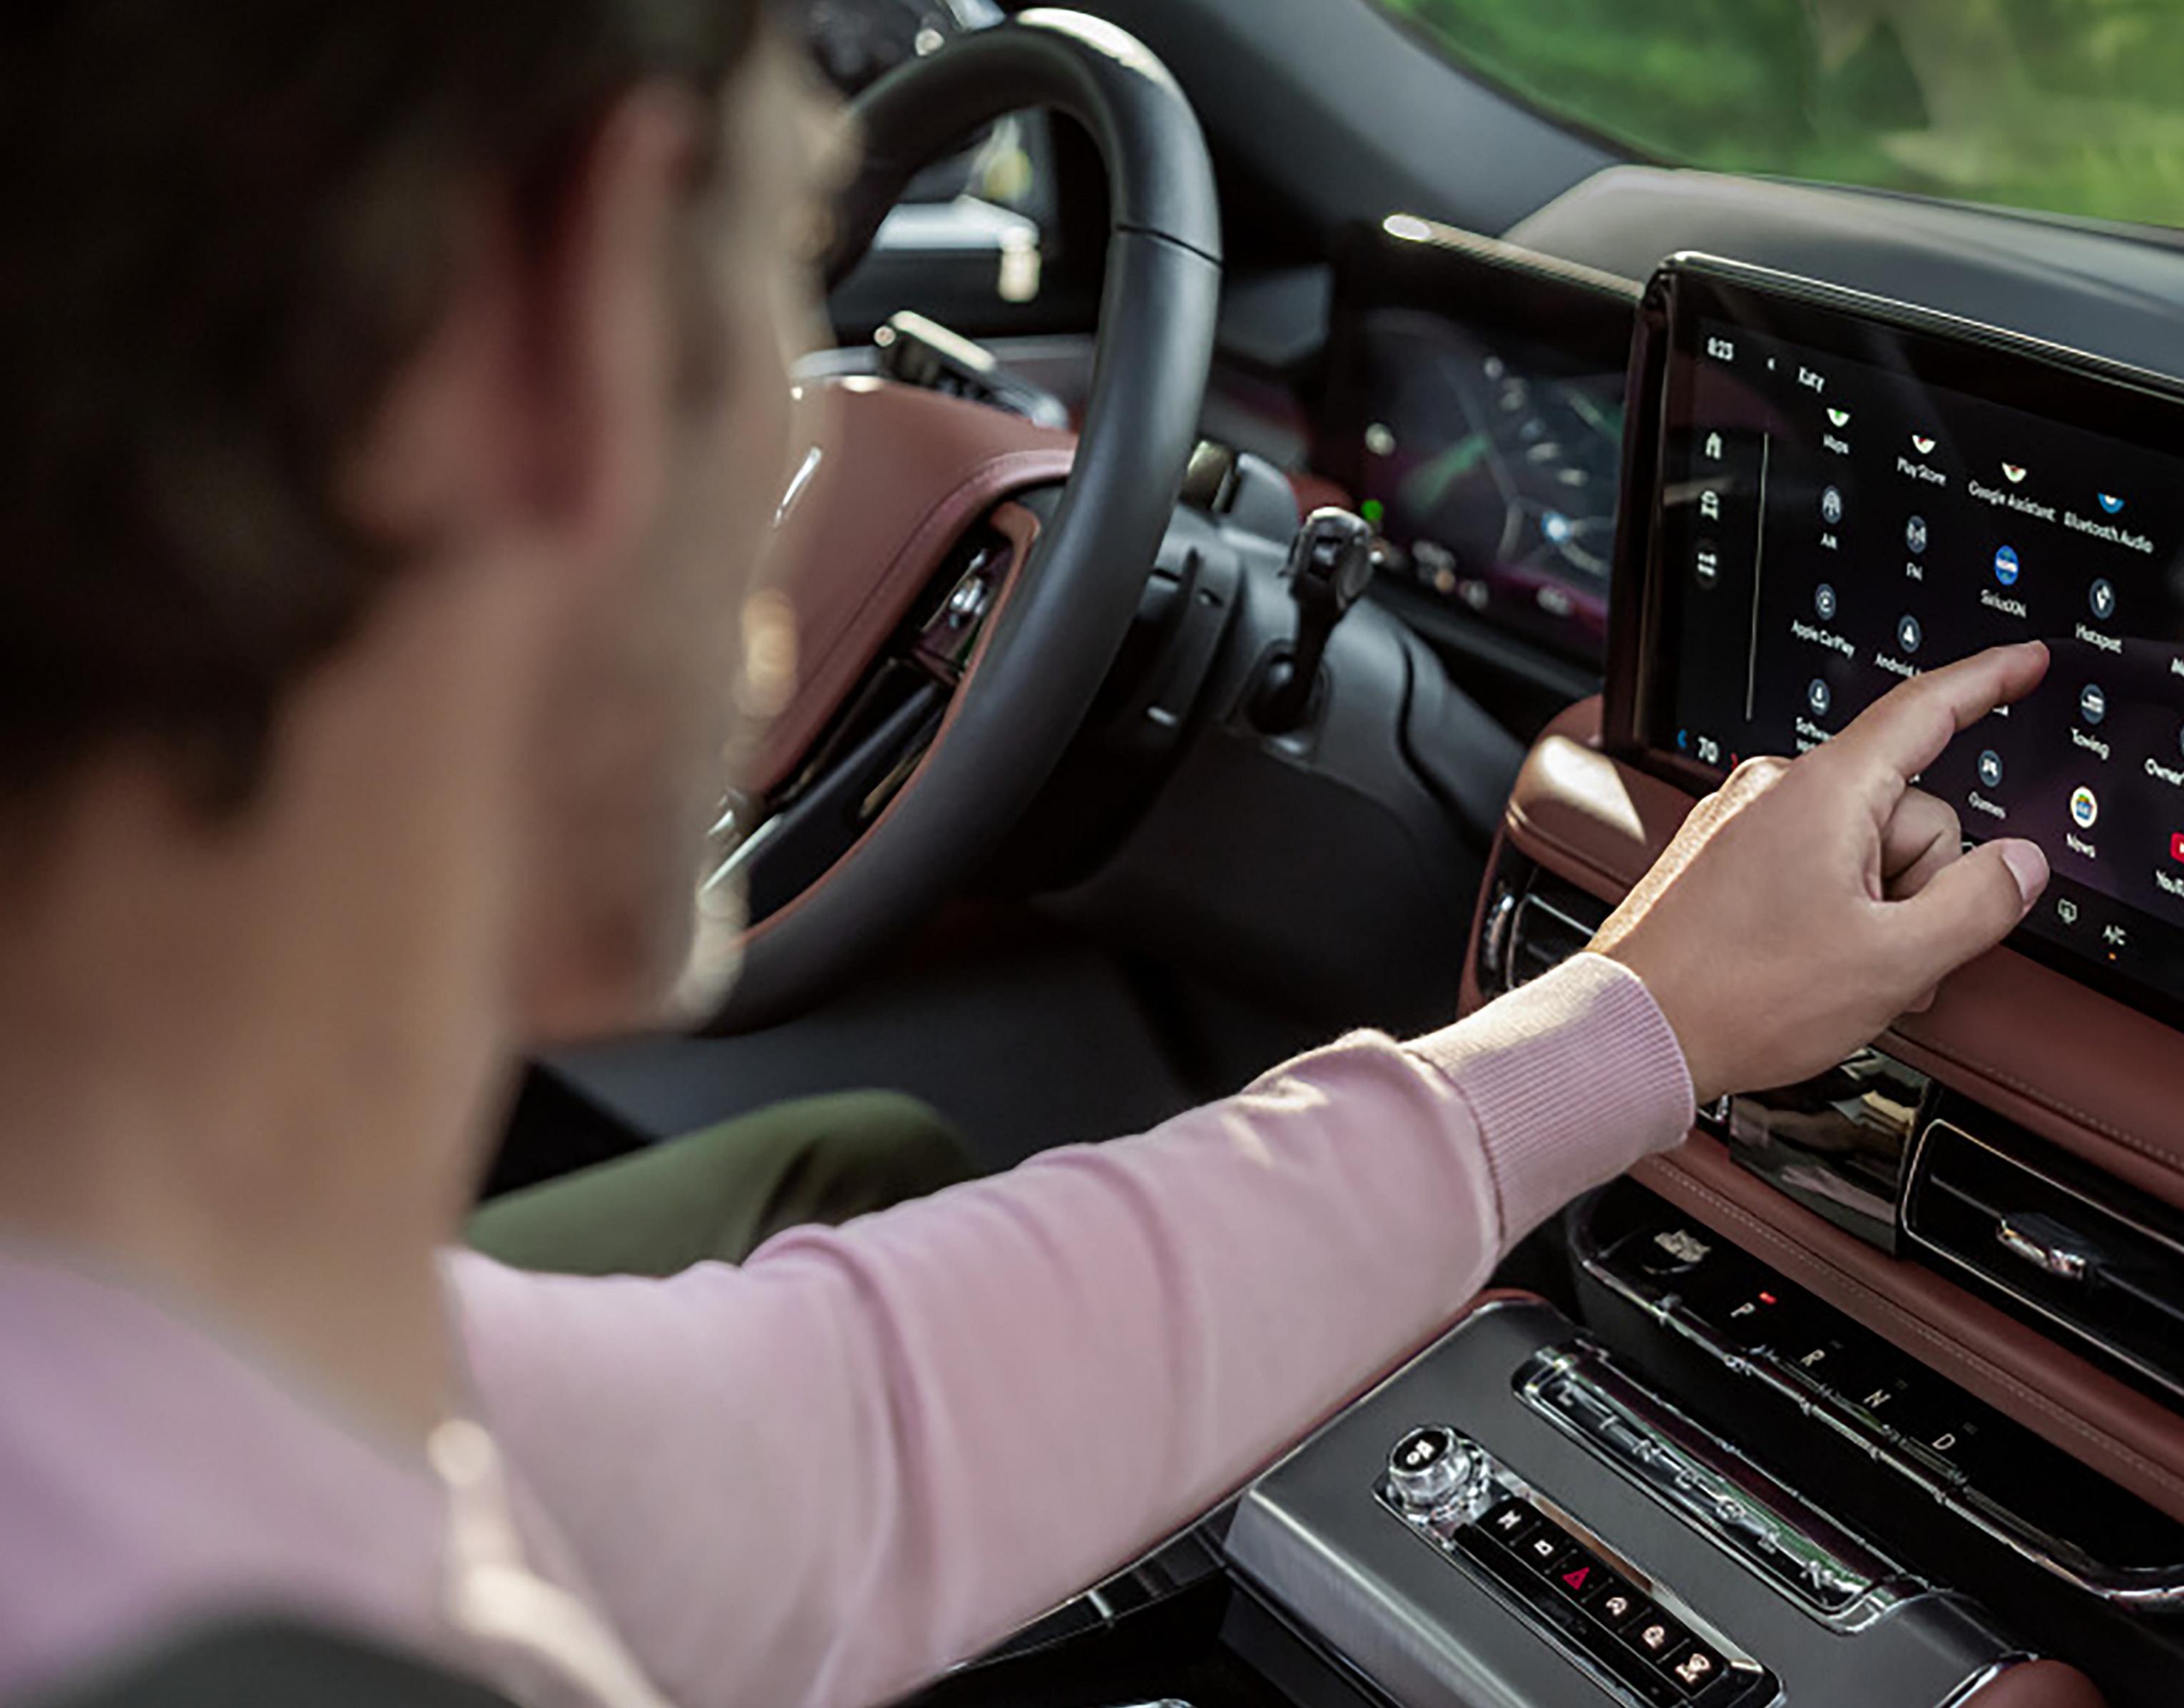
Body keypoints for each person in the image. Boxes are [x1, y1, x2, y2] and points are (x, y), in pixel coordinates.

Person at [0, 4, 2054, 1706]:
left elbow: (841, 1445)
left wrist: (1633, 1021)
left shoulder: (208, 1377)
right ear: (568, 314)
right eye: (786, 259)